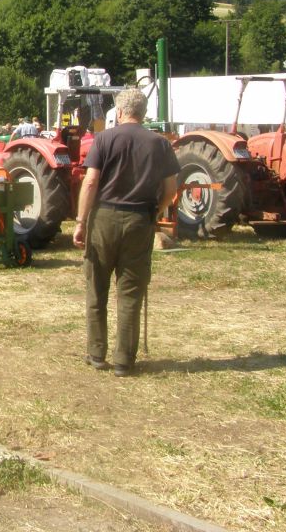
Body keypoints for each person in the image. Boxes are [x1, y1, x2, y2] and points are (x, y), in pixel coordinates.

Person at [73, 88, 179, 378]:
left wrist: (81, 221)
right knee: (130, 292)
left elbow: (91, 182)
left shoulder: (104, 139)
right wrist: (156, 212)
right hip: (139, 219)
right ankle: (124, 361)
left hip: (104, 218)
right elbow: (171, 190)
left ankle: (96, 353)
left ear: (119, 112)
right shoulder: (160, 144)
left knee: (96, 288)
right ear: (143, 113)